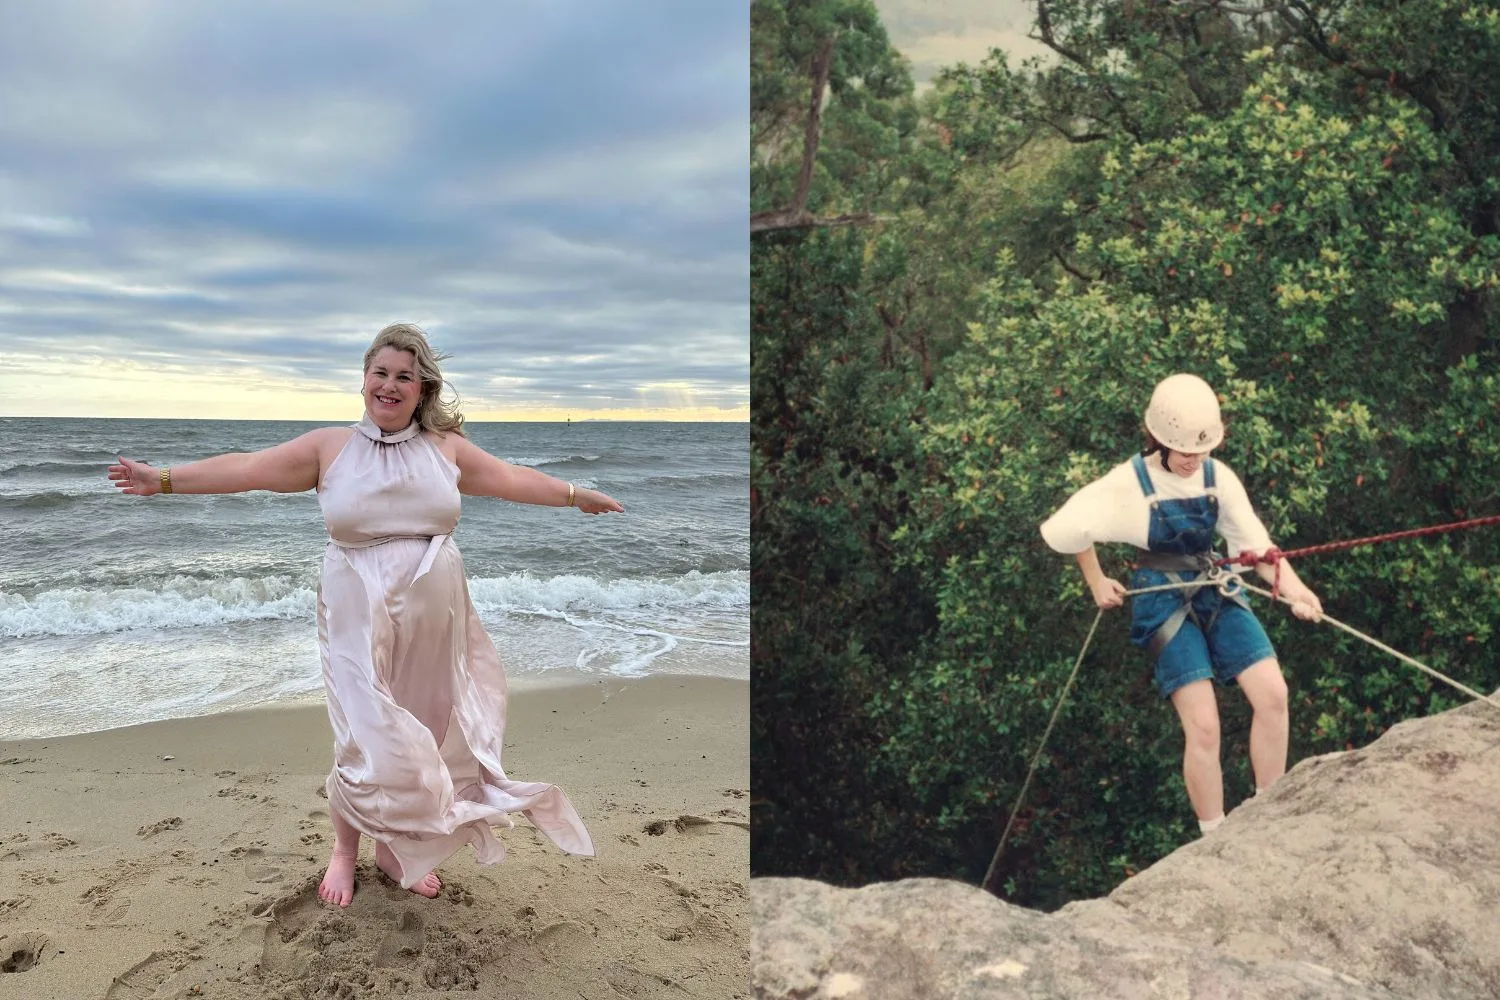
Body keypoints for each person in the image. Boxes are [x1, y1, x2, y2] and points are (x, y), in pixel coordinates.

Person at [109, 323, 625, 906]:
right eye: (380, 373)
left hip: (435, 617)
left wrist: (573, 493)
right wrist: (166, 479)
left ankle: (396, 846)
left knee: (424, 735)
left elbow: (509, 478)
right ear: (363, 380)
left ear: (422, 387)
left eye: (404, 375)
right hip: (356, 609)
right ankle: (345, 851)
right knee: (364, 736)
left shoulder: (444, 448)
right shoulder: (330, 448)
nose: (389, 385)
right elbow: (249, 469)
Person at [1039, 373, 1323, 835]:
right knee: (1205, 725)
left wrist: (1297, 592)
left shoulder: (1217, 478)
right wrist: (1096, 581)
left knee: (1274, 694)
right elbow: (1068, 526)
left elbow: (1258, 550)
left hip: (1215, 585)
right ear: (1159, 439)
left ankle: (1271, 813)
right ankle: (1215, 835)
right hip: (1162, 599)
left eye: (1202, 449)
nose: (1195, 460)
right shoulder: (1128, 482)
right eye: (1185, 450)